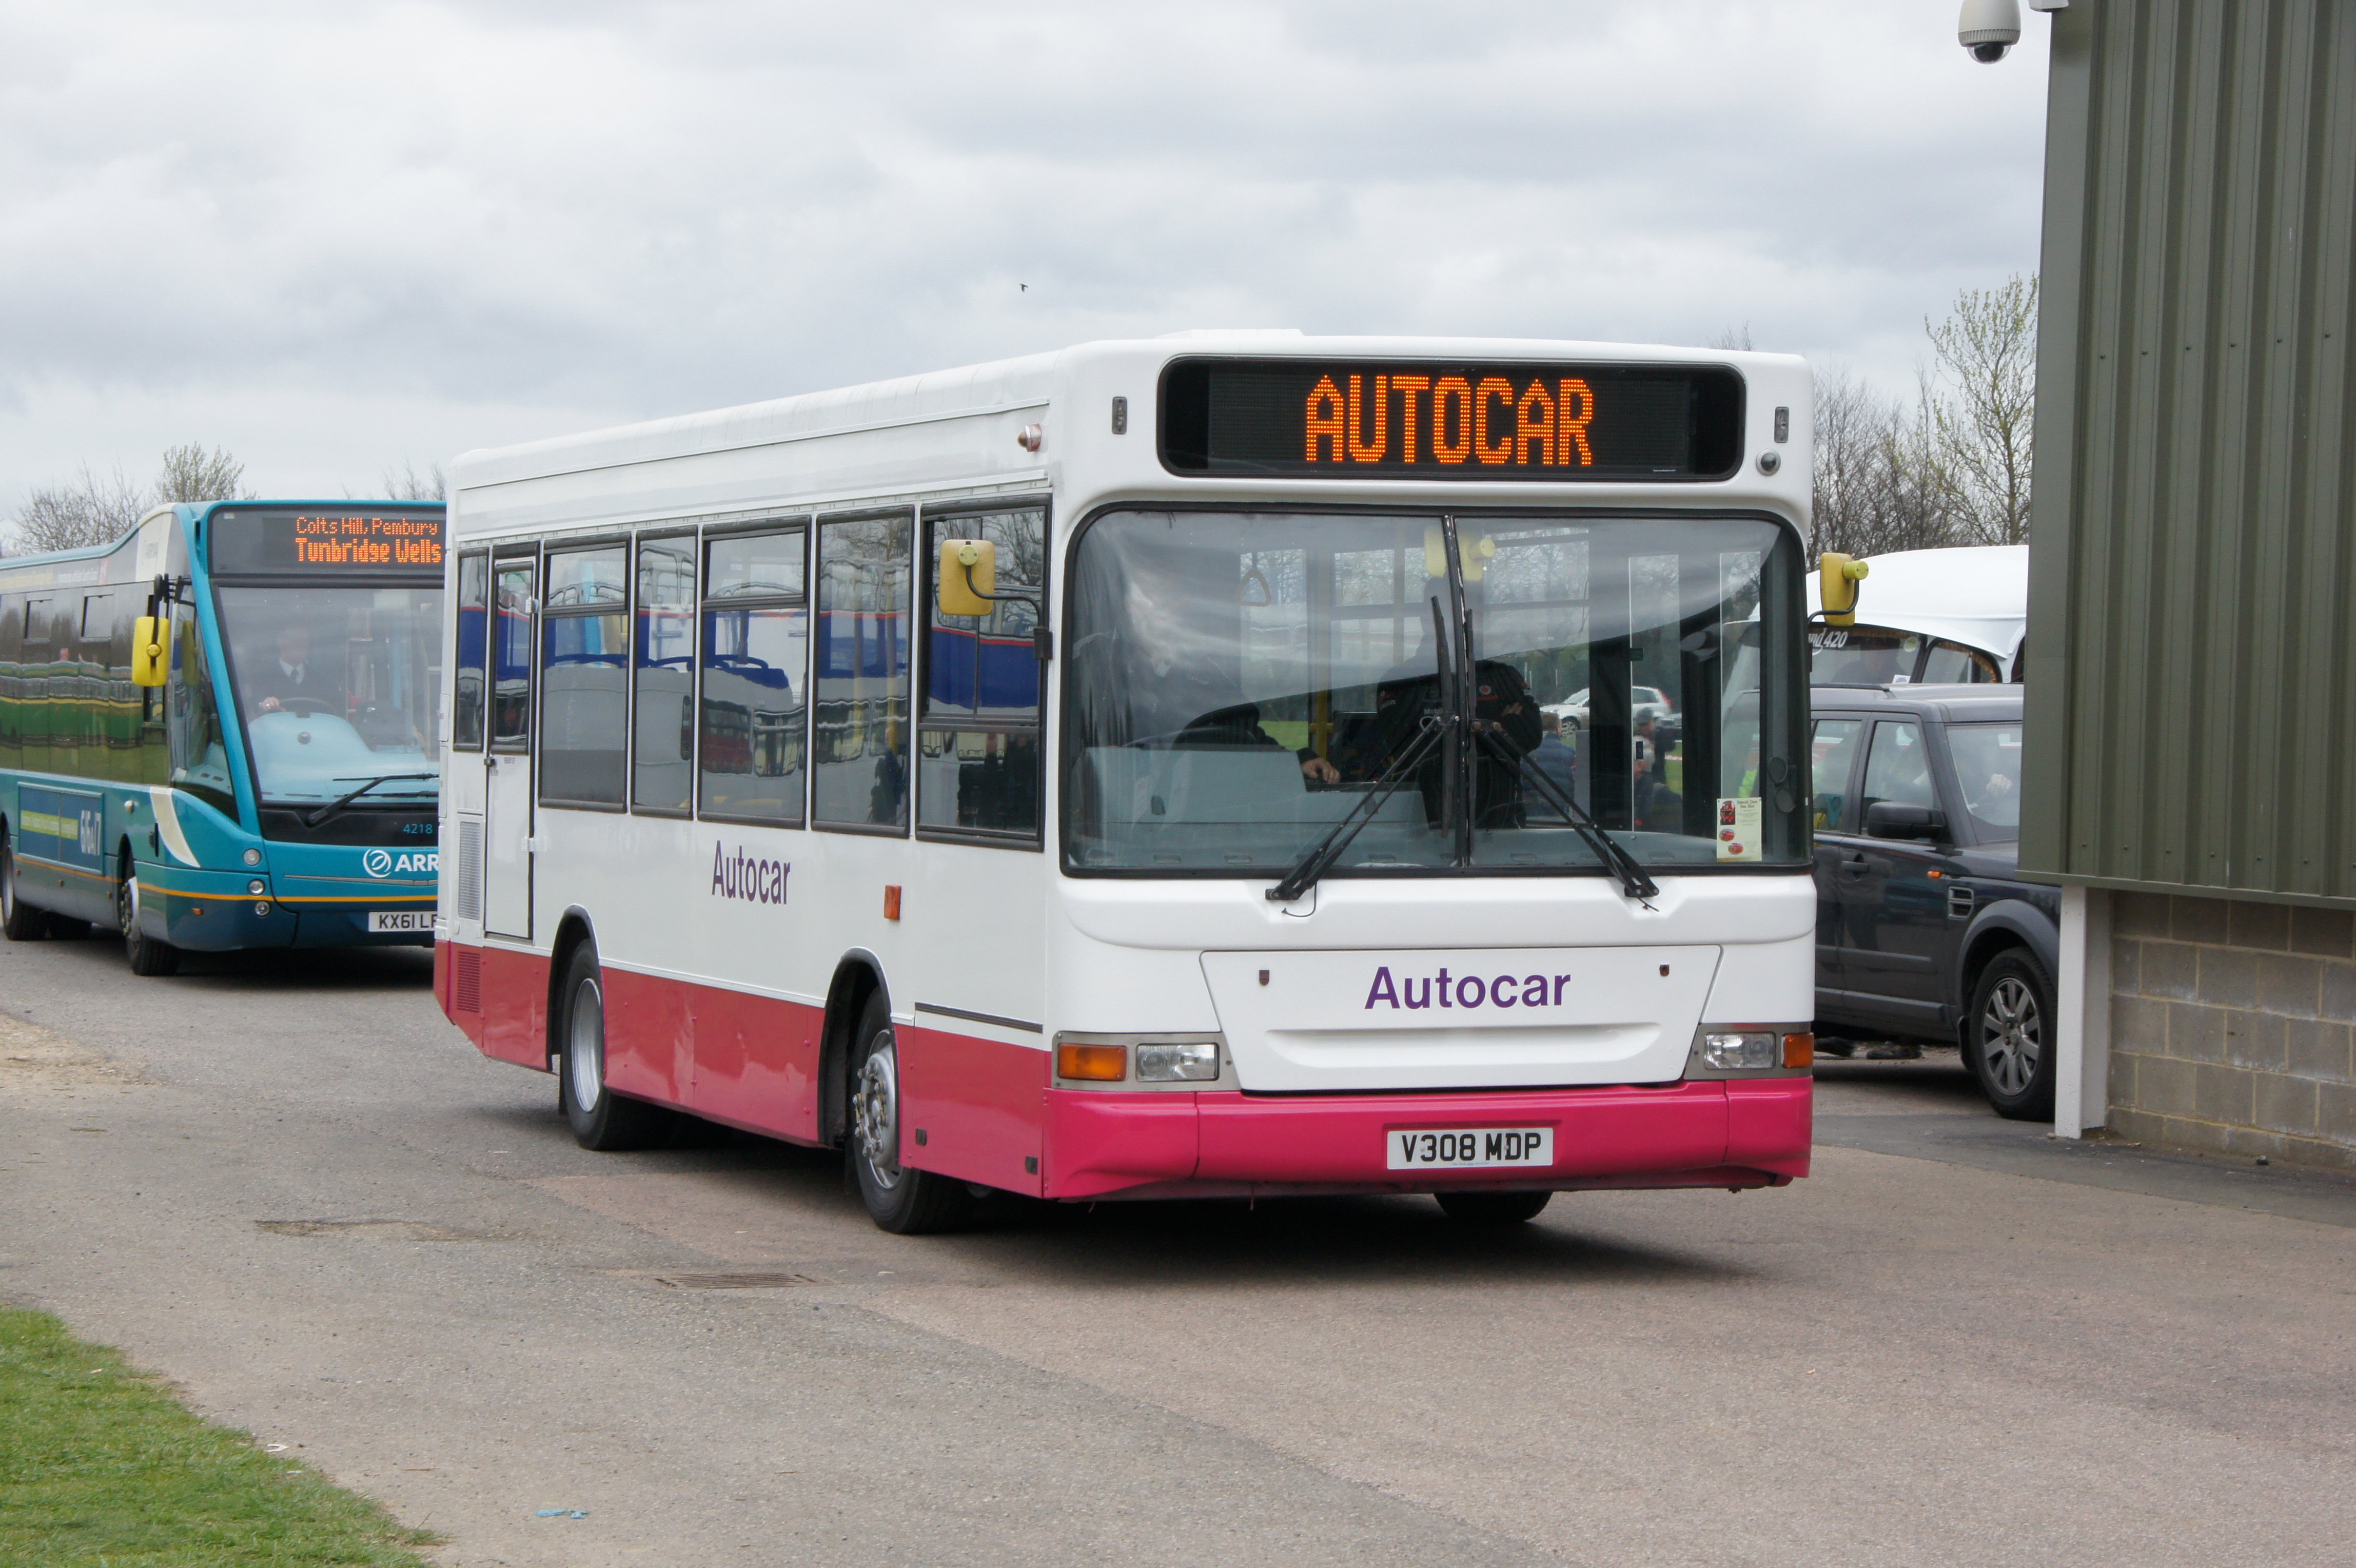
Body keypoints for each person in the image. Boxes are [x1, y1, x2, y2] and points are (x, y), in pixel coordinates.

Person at [1117, 576, 1340, 785]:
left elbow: (1244, 736)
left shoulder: (1203, 671)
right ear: (1129, 604)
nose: (1166, 609)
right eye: (1152, 597)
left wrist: (1299, 761)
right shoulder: (1098, 663)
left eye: (1171, 601)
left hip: (1197, 800)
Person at [244, 624, 330, 716]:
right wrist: (266, 704)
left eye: (304, 641)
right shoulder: (262, 676)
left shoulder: (320, 680)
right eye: (294, 640)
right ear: (281, 642)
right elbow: (255, 704)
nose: (300, 645)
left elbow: (332, 711)